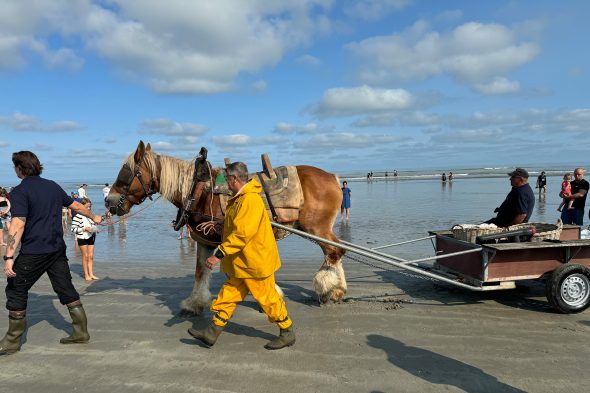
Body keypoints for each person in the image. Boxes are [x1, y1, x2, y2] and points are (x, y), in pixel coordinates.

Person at [0, 151, 103, 355]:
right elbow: (76, 206)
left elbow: (18, 224)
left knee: (15, 288)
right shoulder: (53, 186)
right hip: (56, 249)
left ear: (20, 168)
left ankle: (12, 341)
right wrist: (94, 216)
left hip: (35, 251)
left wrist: (9, 257)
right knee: (65, 288)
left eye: (15, 167)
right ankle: (81, 332)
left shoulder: (20, 191)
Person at [188, 162, 295, 350]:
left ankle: (287, 332)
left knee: (268, 298)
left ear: (234, 178)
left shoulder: (249, 200)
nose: (226, 184)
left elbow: (242, 234)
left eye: (227, 179)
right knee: (228, 295)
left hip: (255, 262)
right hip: (243, 262)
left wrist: (218, 255)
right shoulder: (241, 198)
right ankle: (212, 333)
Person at [71, 198, 99, 281]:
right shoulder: (78, 216)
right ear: (82, 206)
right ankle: (86, 275)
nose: (89, 209)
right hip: (82, 237)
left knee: (91, 256)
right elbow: (73, 229)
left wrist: (95, 229)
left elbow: (93, 225)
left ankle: (91, 274)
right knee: (85, 256)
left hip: (92, 237)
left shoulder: (91, 215)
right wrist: (84, 229)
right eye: (87, 207)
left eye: (90, 207)